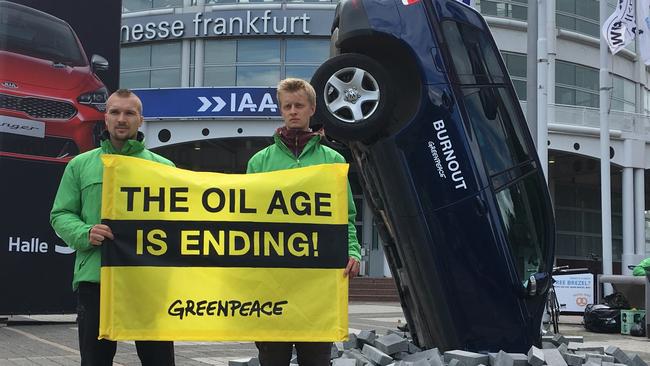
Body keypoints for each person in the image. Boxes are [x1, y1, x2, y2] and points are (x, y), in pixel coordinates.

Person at [50, 89, 176, 366]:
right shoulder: (80, 165)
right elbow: (61, 214)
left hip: (148, 279)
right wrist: (86, 233)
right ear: (105, 117)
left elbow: (176, 223)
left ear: (140, 119)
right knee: (95, 360)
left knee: (159, 359)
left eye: (129, 113)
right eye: (115, 112)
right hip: (96, 278)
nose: (122, 119)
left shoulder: (165, 168)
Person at [247, 78, 362, 366]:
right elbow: (247, 220)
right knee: (272, 359)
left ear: (312, 109)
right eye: (287, 106)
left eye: (299, 105)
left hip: (316, 285)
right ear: (281, 110)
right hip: (273, 282)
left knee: (316, 359)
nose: (293, 111)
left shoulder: (333, 160)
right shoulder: (259, 162)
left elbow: (345, 214)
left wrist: (353, 250)